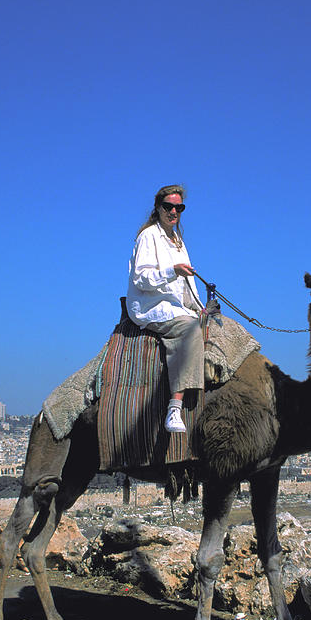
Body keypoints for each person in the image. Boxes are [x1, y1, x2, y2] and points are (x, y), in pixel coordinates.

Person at [127, 184, 204, 433]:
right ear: (158, 208)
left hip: (176, 304)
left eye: (178, 207)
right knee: (189, 329)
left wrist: (201, 308)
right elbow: (141, 278)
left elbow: (187, 286)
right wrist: (172, 271)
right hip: (152, 306)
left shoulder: (178, 242)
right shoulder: (148, 236)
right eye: (168, 207)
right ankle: (175, 407)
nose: (173, 212)